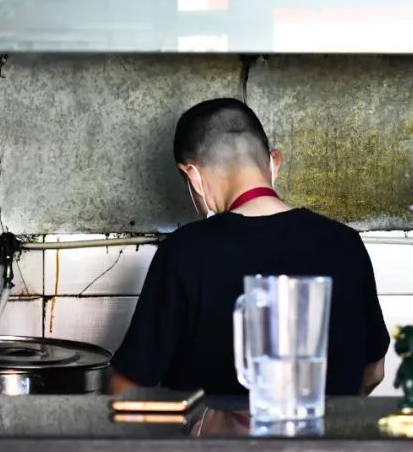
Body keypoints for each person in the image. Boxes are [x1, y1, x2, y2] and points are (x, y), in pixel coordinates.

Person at [109, 98, 389, 396]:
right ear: (274, 162)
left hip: (217, 444)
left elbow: (128, 390)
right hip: (324, 440)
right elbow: (373, 371)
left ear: (193, 176)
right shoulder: (346, 244)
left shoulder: (185, 252)